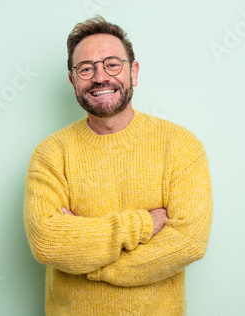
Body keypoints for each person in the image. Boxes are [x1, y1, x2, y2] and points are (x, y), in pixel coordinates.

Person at [23, 16, 213, 315]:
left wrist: (94, 263)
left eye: (112, 64)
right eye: (86, 69)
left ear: (133, 72)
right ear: (73, 81)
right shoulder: (51, 153)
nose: (100, 77)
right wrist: (145, 224)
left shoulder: (180, 145)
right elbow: (48, 241)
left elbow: (189, 242)